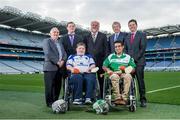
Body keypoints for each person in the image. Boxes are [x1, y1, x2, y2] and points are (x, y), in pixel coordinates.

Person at [103, 40, 136, 105]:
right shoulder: (111, 56)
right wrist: (108, 70)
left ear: (123, 47)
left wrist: (128, 70)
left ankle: (124, 98)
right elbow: (104, 66)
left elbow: (133, 68)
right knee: (114, 76)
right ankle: (117, 98)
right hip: (114, 73)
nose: (117, 48)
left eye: (119, 46)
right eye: (116, 47)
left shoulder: (127, 57)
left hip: (124, 73)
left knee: (128, 76)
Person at [124, 19, 147, 107]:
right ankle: (130, 99)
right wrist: (129, 60)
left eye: (133, 25)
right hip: (129, 63)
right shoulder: (126, 37)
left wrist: (134, 59)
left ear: (136, 25)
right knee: (128, 80)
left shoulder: (142, 35)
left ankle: (143, 100)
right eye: (130, 25)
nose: (131, 26)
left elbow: (142, 49)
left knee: (140, 81)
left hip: (139, 62)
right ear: (128, 26)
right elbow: (125, 49)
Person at [83, 21, 109, 98]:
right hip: (90, 63)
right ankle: (90, 96)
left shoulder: (103, 36)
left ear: (99, 26)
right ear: (90, 26)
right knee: (90, 79)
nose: (94, 26)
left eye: (96, 25)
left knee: (101, 80)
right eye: (93, 25)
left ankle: (101, 96)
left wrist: (105, 61)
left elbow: (106, 49)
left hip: (101, 62)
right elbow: (84, 50)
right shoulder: (86, 36)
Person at [43, 27, 67, 107]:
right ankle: (49, 102)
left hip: (59, 68)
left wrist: (63, 61)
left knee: (58, 86)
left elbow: (64, 54)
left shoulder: (59, 43)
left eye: (57, 32)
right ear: (50, 33)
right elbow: (48, 53)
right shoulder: (46, 41)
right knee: (49, 86)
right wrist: (57, 62)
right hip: (50, 67)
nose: (56, 33)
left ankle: (55, 101)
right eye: (54, 32)